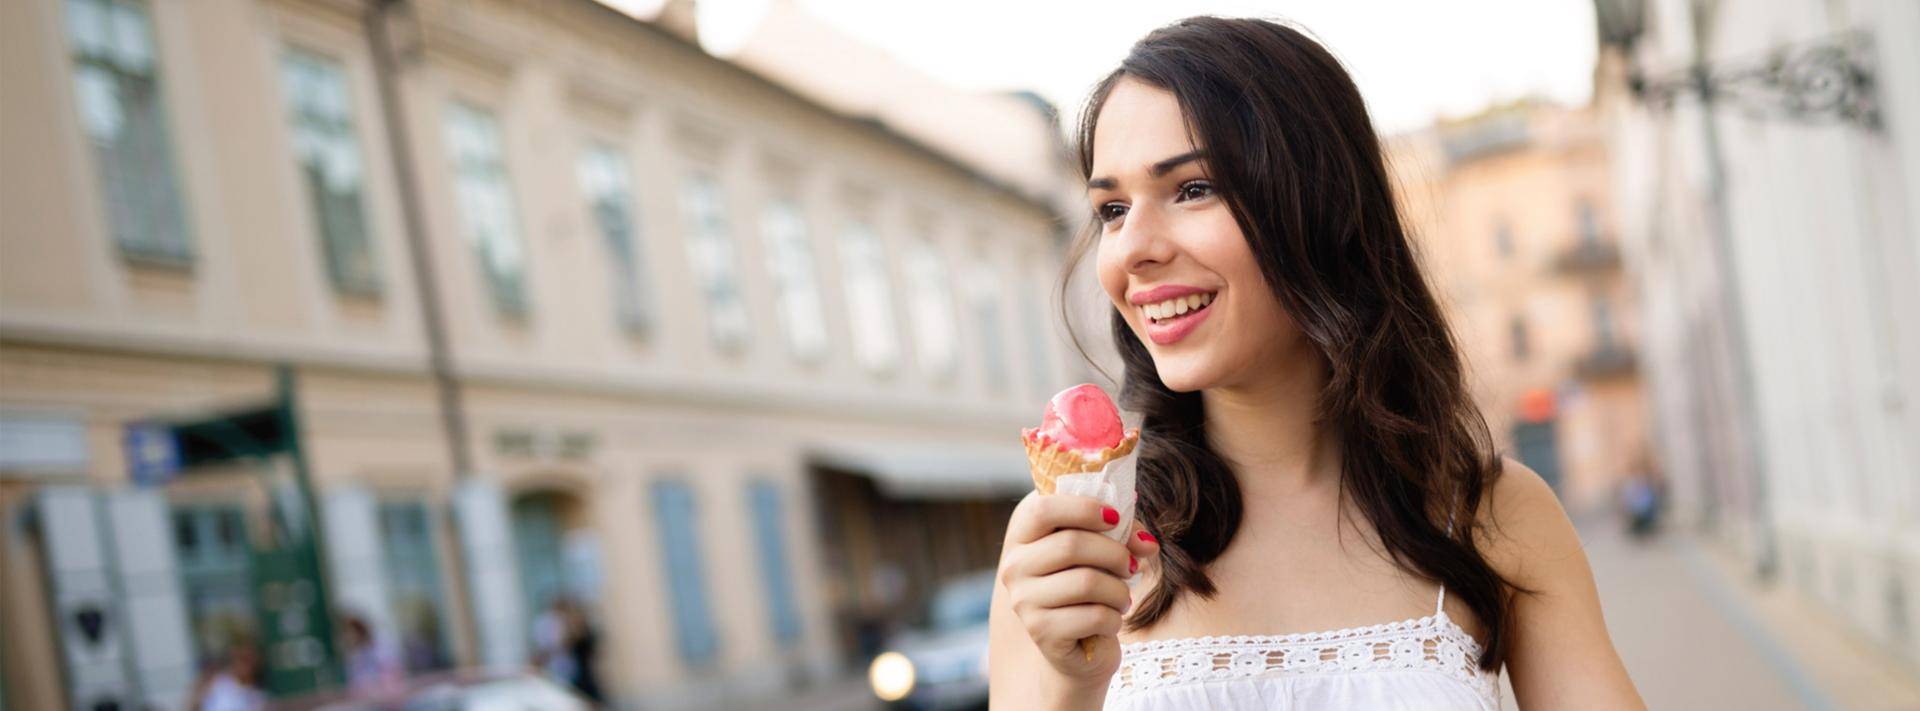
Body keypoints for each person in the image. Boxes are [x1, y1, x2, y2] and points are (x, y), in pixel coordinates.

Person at [989, 17, 1646, 710]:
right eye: (1113, 209)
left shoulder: (1493, 513)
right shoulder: (1069, 547)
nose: (1131, 250)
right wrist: (1069, 683)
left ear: (1319, 204)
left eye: (1192, 188)